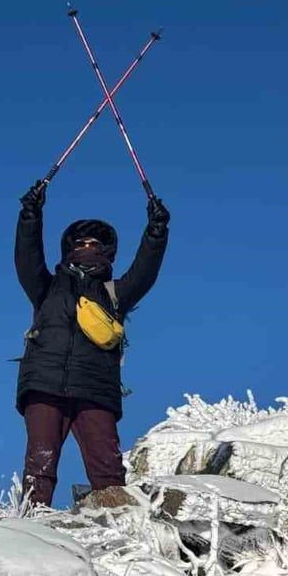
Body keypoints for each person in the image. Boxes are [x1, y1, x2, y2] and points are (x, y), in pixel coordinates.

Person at [14, 180, 169, 506]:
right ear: (69, 249)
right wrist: (30, 215)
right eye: (81, 243)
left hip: (96, 389)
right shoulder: (46, 288)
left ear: (107, 252)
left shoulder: (115, 294)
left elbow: (145, 270)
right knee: (39, 468)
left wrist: (156, 231)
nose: (87, 247)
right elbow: (27, 258)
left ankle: (119, 529)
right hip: (44, 384)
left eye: (95, 243)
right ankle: (29, 532)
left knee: (109, 472)